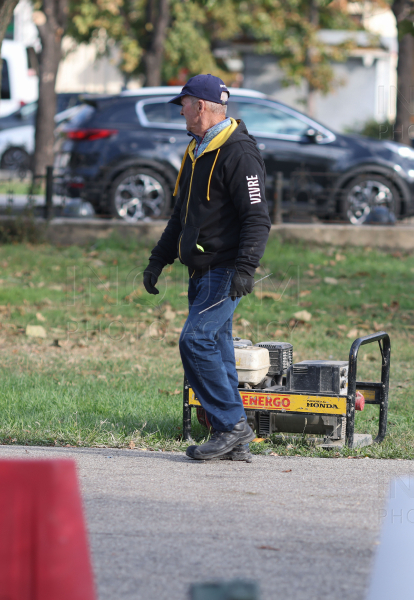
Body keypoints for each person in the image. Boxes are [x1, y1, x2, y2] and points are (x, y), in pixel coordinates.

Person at [142, 74, 271, 461]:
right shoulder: (196, 150)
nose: (180, 110)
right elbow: (181, 215)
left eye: (183, 103)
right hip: (199, 270)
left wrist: (246, 268)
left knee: (194, 341)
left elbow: (257, 218)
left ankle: (232, 425)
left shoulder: (239, 152)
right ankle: (236, 442)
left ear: (201, 105)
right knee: (215, 349)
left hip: (225, 269)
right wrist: (158, 259)